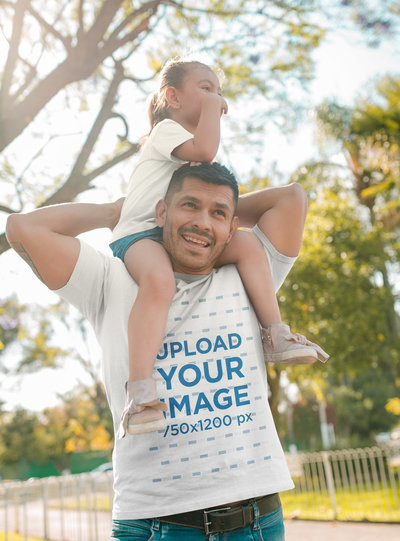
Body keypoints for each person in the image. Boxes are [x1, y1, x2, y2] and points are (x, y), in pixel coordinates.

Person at [6, 161, 327, 540]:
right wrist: (119, 213)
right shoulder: (111, 277)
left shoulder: (252, 271)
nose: (202, 222)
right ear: (161, 211)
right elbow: (22, 228)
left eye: (218, 214)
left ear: (232, 228)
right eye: (188, 205)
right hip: (154, 525)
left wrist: (217, 212)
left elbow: (291, 198)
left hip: (256, 521)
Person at [106, 58, 328, 436]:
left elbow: (210, 185)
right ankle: (141, 393)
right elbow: (207, 151)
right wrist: (213, 107)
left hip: (171, 234)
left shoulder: (189, 152)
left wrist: (223, 216)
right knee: (159, 281)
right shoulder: (166, 132)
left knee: (243, 244)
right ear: (171, 97)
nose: (215, 96)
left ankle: (275, 333)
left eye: (217, 90)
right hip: (139, 235)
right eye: (205, 88)